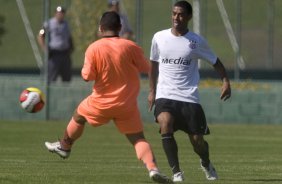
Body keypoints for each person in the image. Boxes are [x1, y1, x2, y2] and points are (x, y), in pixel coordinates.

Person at [44, 11, 171, 184]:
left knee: (78, 116)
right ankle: (152, 168)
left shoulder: (94, 48)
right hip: (126, 105)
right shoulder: (130, 46)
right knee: (138, 139)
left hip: (100, 102)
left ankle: (65, 146)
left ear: (100, 29)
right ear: (120, 27)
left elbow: (87, 76)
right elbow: (147, 68)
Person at [148, 1, 231, 183]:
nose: (176, 18)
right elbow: (153, 65)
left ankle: (206, 162)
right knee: (165, 122)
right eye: (174, 13)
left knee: (197, 141)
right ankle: (177, 173)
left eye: (180, 14)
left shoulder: (196, 41)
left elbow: (216, 62)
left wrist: (225, 80)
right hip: (165, 95)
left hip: (189, 97)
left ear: (189, 17)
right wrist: (152, 91)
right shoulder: (159, 37)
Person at [37, 6, 74, 83]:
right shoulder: (48, 23)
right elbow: (40, 35)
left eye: (62, 13)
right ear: (55, 13)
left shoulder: (66, 24)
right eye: (59, 13)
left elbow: (69, 37)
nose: (60, 15)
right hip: (54, 54)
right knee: (51, 77)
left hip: (65, 53)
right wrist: (44, 48)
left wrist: (71, 47)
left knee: (67, 78)